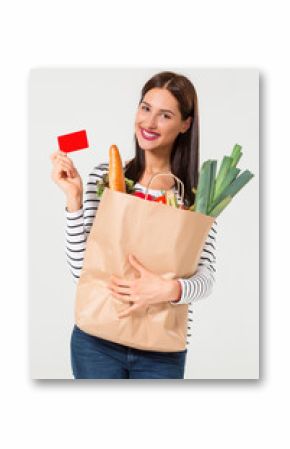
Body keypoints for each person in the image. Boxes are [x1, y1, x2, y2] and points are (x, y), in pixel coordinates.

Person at [50, 71, 217, 379]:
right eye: (145, 108)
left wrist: (169, 288)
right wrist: (74, 199)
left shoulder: (194, 199)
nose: (149, 123)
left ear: (185, 124)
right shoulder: (104, 178)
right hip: (96, 341)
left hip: (161, 351)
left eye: (165, 115)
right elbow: (80, 271)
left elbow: (206, 277)